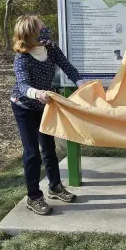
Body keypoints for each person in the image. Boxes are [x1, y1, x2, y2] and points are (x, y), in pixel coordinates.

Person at [10, 15, 84, 215]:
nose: (46, 30)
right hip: (24, 107)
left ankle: (55, 186)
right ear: (30, 34)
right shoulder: (22, 58)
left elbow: (67, 66)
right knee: (32, 153)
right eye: (41, 28)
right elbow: (23, 85)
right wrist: (38, 93)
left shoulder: (50, 48)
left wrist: (80, 83)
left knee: (49, 148)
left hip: (45, 106)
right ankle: (34, 197)